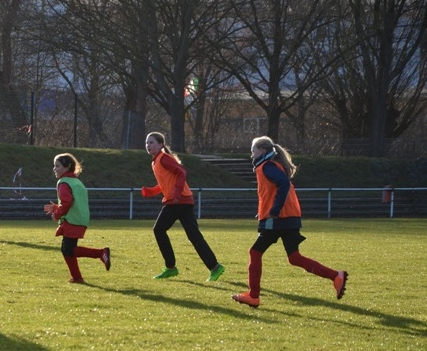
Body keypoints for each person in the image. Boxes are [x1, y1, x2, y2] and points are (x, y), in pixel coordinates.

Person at [232, 136, 348, 308]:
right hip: (290, 217)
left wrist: (274, 210)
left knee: (255, 252)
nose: (251, 154)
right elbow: (273, 191)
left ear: (262, 151)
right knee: (294, 257)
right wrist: (265, 210)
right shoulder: (271, 166)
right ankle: (336, 276)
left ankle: (253, 296)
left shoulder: (267, 167)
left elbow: (284, 184)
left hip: (279, 219)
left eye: (253, 151)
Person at [142, 132, 225, 281]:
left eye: (151, 142)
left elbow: (182, 172)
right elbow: (167, 182)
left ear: (160, 145)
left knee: (159, 230)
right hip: (183, 201)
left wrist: (176, 194)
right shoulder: (155, 162)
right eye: (147, 143)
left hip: (177, 201)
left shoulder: (164, 158)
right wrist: (152, 191)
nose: (148, 145)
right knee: (194, 235)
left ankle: (171, 268)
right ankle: (215, 267)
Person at [43, 153, 110, 283]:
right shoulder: (76, 182)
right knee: (67, 249)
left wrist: (56, 214)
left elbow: (67, 203)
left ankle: (101, 253)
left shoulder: (63, 183)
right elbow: (74, 202)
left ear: (67, 166)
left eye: (57, 166)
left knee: (68, 249)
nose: (54, 169)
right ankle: (77, 277)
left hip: (72, 220)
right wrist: (56, 207)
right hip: (80, 219)